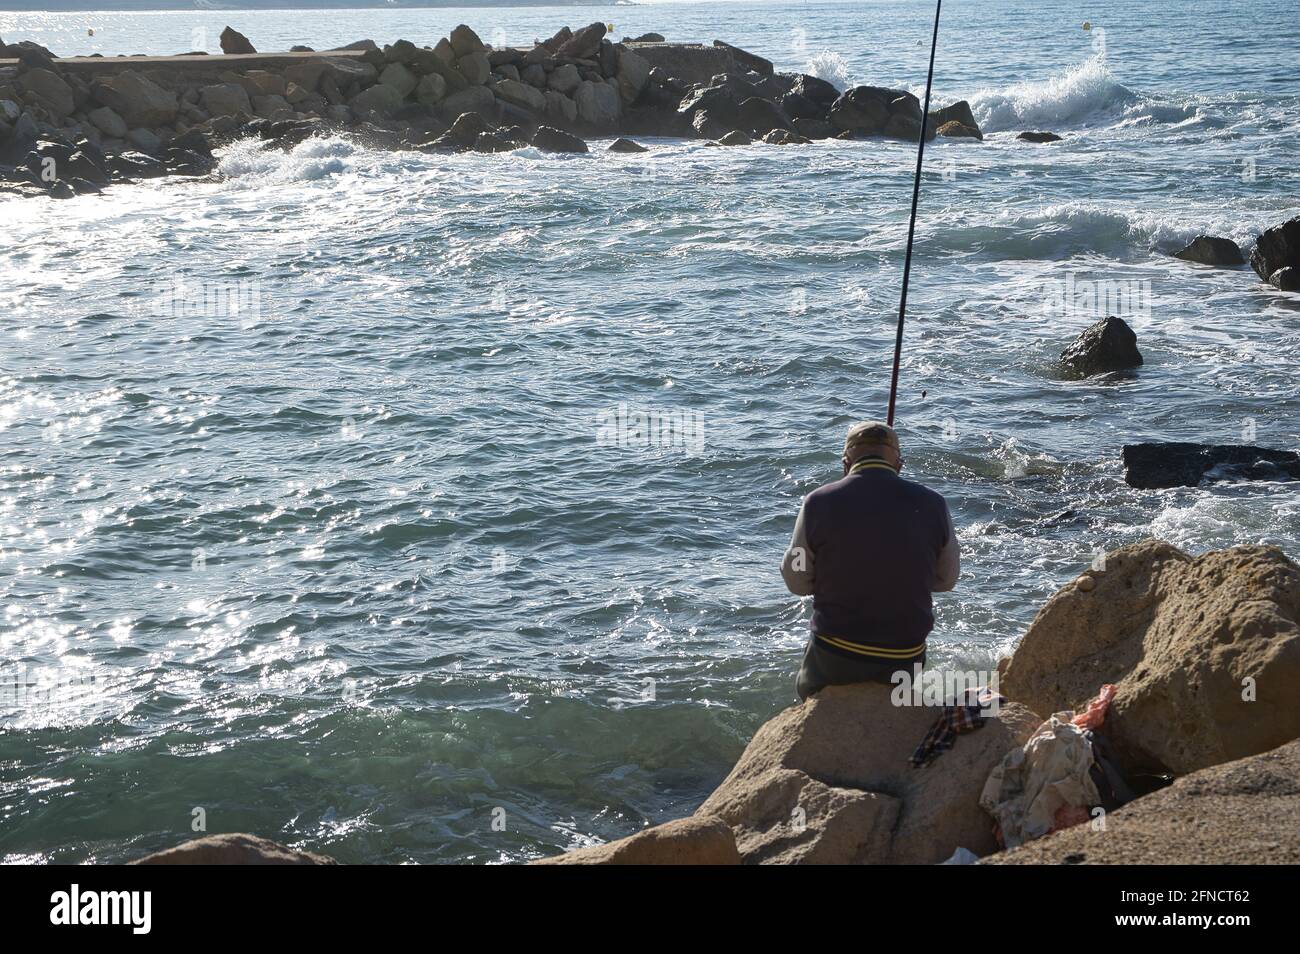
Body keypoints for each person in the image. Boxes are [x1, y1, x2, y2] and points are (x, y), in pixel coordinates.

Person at [781, 421, 960, 699]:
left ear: (846, 462)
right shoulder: (934, 504)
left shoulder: (817, 502)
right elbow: (946, 580)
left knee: (808, 687)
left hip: (836, 654)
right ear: (899, 464)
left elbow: (797, 581)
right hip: (905, 656)